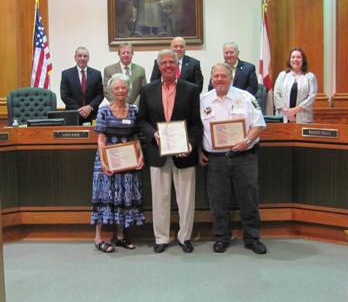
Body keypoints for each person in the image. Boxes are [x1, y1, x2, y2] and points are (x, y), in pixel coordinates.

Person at [138, 49, 202, 253]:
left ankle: (185, 237)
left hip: (185, 153)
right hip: (157, 153)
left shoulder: (191, 90)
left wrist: (191, 143)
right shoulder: (147, 90)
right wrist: (153, 134)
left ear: (177, 65)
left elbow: (196, 124)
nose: (167, 66)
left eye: (171, 62)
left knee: (186, 198)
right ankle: (161, 238)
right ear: (158, 66)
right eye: (164, 62)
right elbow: (142, 121)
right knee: (160, 198)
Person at [200, 63, 267, 254]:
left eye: (223, 76)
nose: (219, 79)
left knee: (249, 199)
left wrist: (246, 141)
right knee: (218, 200)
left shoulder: (246, 98)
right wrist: (199, 151)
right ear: (211, 79)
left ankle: (252, 238)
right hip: (215, 160)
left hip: (244, 156)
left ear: (231, 77)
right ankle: (222, 237)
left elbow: (259, 125)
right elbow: (197, 129)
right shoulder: (203, 100)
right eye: (216, 76)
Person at [91, 73, 145, 253]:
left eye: (123, 87)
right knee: (104, 197)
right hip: (107, 161)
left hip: (128, 161)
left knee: (124, 197)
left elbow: (136, 137)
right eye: (117, 88)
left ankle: (120, 235)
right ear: (111, 91)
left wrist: (140, 155)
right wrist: (104, 162)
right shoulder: (103, 110)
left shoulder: (134, 110)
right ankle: (98, 238)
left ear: (128, 90)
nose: (121, 91)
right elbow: (100, 139)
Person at [60, 47, 104, 124]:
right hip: (73, 114)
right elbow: (65, 95)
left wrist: (90, 107)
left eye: (85, 56)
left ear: (88, 58)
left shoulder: (96, 74)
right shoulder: (66, 74)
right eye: (79, 56)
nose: (82, 58)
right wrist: (80, 109)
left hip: (92, 114)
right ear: (75, 58)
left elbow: (100, 94)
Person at [273, 47, 317, 123]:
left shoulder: (310, 77)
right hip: (284, 117)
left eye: (298, 57)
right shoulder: (282, 75)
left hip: (303, 119)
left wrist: (294, 110)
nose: (295, 59)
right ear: (289, 60)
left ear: (303, 60)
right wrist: (287, 112)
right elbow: (276, 94)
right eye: (293, 57)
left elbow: (311, 97)